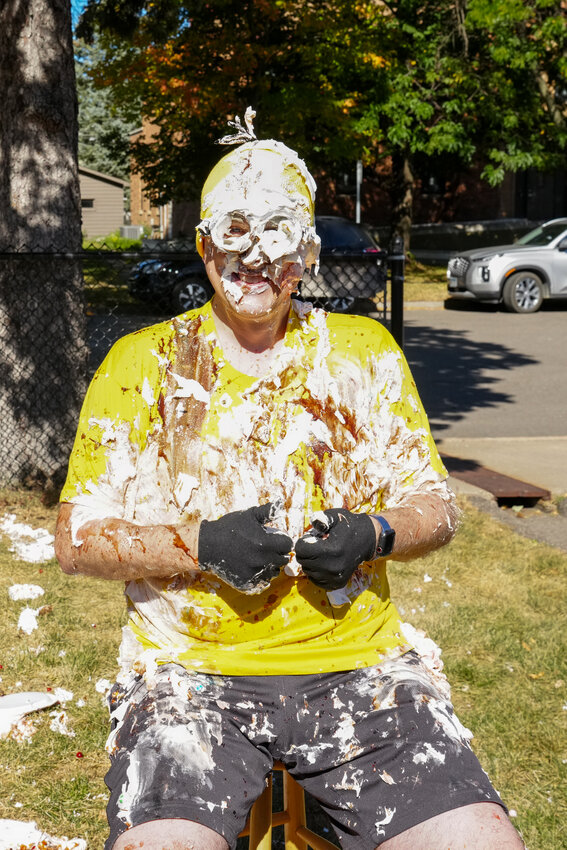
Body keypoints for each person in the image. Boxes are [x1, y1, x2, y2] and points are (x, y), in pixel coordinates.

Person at [55, 109, 524, 850]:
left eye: (278, 230)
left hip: (360, 668)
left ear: (306, 249)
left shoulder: (363, 354)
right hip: (187, 675)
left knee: (479, 840)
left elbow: (436, 505)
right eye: (234, 230)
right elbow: (77, 540)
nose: (256, 256)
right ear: (204, 241)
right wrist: (198, 543)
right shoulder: (141, 364)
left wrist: (377, 532)